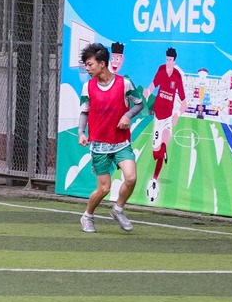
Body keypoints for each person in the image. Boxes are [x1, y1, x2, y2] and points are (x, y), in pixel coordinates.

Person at [78, 43, 144, 233]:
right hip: (99, 145)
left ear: (102, 64)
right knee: (104, 189)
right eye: (86, 65)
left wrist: (127, 115)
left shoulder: (124, 83)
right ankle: (87, 216)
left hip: (121, 143)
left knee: (131, 178)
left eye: (90, 64)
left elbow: (139, 104)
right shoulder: (88, 87)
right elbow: (84, 112)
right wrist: (81, 133)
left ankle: (118, 209)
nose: (87, 68)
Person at [142, 47, 187, 200]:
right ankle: (161, 149)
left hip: (168, 117)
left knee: (163, 145)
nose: (168, 62)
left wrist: (177, 114)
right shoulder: (161, 70)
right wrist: (148, 91)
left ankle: (154, 179)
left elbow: (184, 103)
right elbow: (153, 85)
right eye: (167, 59)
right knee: (155, 154)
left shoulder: (177, 77)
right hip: (158, 117)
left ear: (174, 61)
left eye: (170, 60)